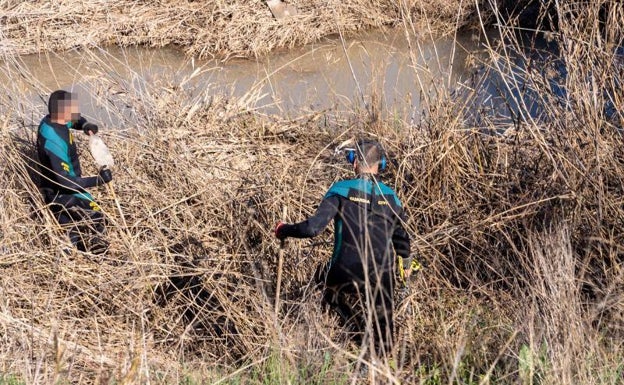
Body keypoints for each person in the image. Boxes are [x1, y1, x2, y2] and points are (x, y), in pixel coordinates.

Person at [274, 139, 413, 358]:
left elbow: (312, 228)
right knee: (385, 340)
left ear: (354, 162)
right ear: (382, 164)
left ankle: (355, 333)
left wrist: (284, 229)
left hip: (343, 271)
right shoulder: (393, 198)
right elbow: (404, 245)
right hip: (382, 275)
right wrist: (405, 278)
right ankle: (380, 363)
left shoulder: (340, 190)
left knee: (322, 278)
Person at [37, 90, 113, 254]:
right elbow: (65, 181)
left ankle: (71, 257)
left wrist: (85, 126)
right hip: (62, 193)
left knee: (71, 229)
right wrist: (98, 180)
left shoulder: (53, 120)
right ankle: (99, 259)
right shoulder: (53, 140)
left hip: (64, 188)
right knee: (97, 217)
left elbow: (76, 121)